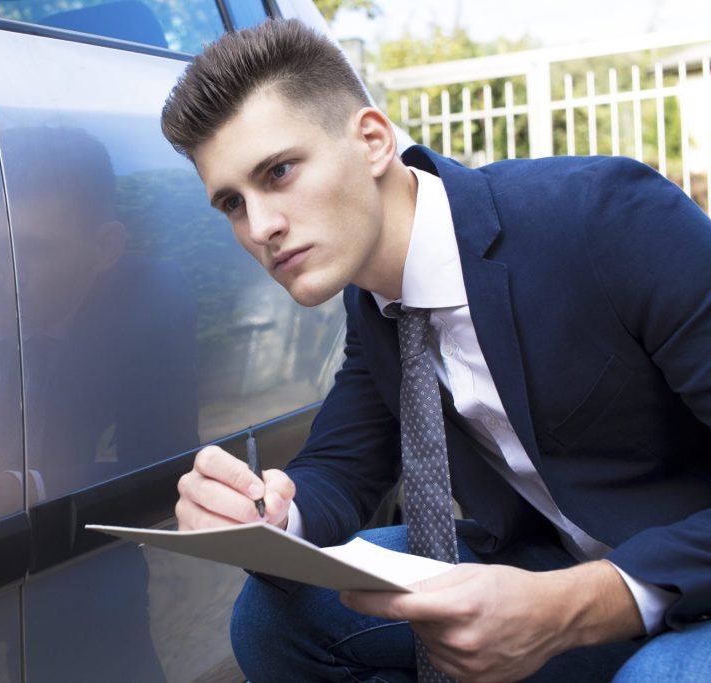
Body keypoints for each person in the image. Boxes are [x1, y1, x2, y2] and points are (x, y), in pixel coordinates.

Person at [161, 18, 711, 683]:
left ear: (372, 139)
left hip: (692, 576)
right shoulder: (378, 305)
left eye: (278, 172)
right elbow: (341, 467)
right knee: (276, 618)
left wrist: (579, 603)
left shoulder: (604, 219)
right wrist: (268, 512)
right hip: (552, 563)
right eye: (231, 203)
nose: (261, 226)